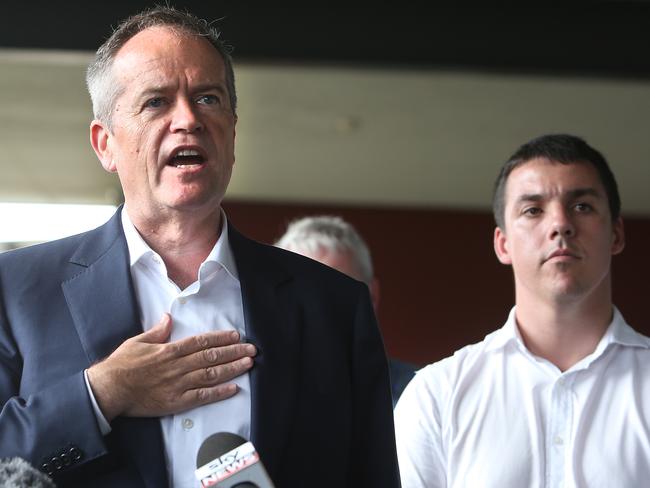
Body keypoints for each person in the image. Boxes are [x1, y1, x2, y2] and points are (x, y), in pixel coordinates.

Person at [0, 7, 400, 488]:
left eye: (208, 98)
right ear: (105, 143)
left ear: (232, 131)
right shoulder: (17, 288)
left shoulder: (333, 306)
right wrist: (102, 394)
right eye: (155, 102)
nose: (188, 119)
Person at [394, 134, 650, 487]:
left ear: (617, 235)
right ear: (503, 244)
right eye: (533, 210)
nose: (560, 224)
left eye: (582, 206)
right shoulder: (437, 395)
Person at [275, 215, 417, 406]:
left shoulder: (422, 393)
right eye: (300, 291)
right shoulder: (244, 397)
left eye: (335, 291)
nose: (318, 309)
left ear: (371, 297)